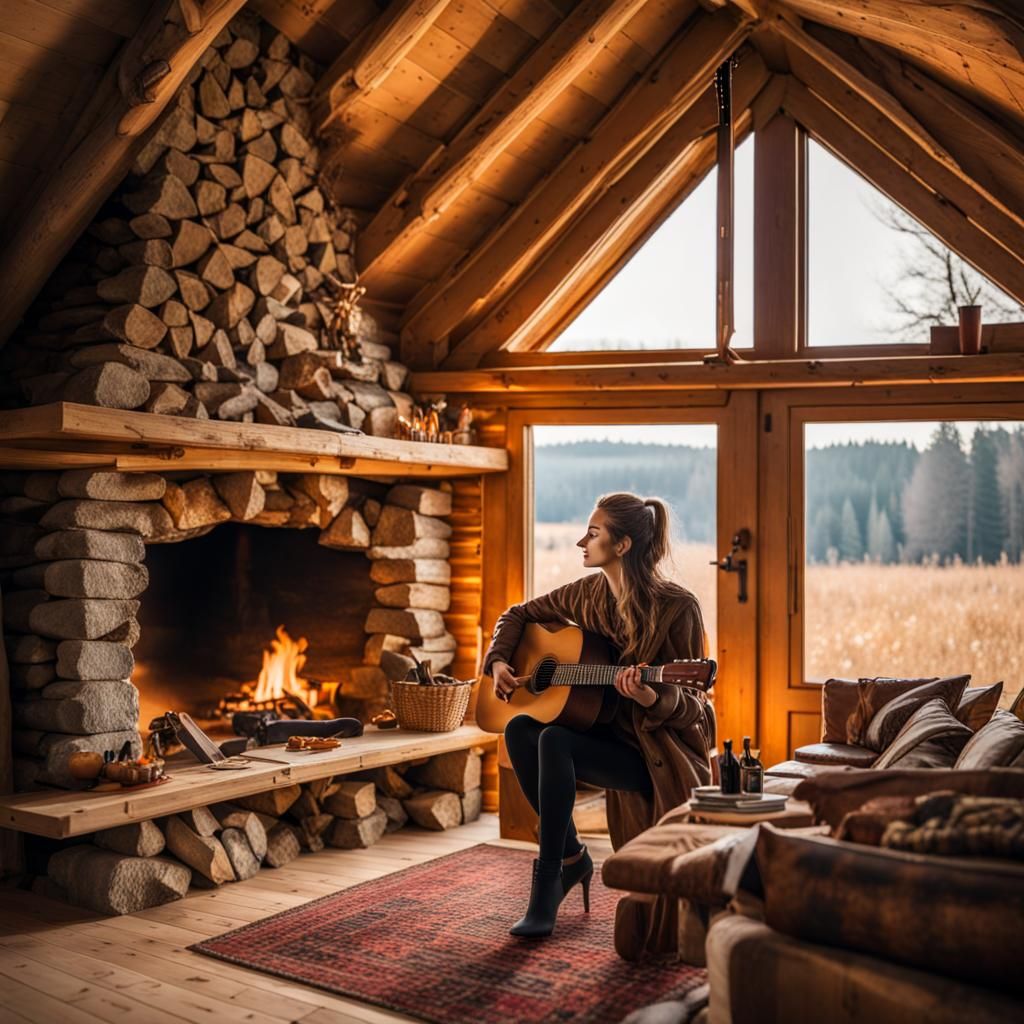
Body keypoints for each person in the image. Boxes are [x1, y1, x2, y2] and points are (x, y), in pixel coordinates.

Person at [483, 492, 716, 944]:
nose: (581, 542)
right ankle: (572, 857)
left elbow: (696, 708)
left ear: (622, 545)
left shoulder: (677, 608)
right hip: (602, 734)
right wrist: (498, 662)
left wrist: (650, 695)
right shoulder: (588, 594)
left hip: (650, 753)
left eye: (593, 533)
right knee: (520, 728)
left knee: (553, 740)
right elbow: (517, 614)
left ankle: (549, 880)